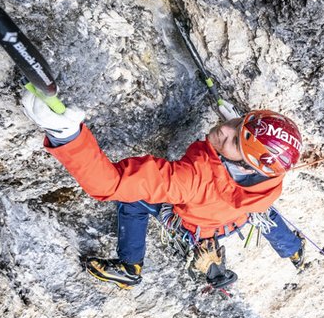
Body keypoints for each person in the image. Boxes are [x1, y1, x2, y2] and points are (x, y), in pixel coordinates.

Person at [20, 93, 306, 290]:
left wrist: (66, 136)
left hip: (195, 222)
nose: (224, 129)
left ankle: (129, 267)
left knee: (131, 202)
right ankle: (292, 250)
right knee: (263, 212)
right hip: (235, 218)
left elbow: (110, 184)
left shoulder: (189, 180)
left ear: (244, 163)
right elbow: (256, 155)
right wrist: (240, 133)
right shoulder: (269, 180)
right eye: (237, 124)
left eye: (234, 141)